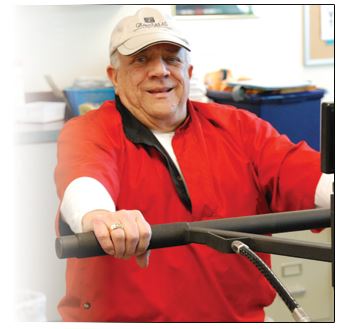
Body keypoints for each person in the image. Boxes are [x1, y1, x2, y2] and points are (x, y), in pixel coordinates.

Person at [55, 7, 332, 322]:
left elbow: (297, 170)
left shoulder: (239, 127)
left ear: (188, 72)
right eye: (141, 60)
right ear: (114, 77)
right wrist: (99, 216)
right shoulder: (91, 130)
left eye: (172, 58)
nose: (160, 70)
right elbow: (84, 178)